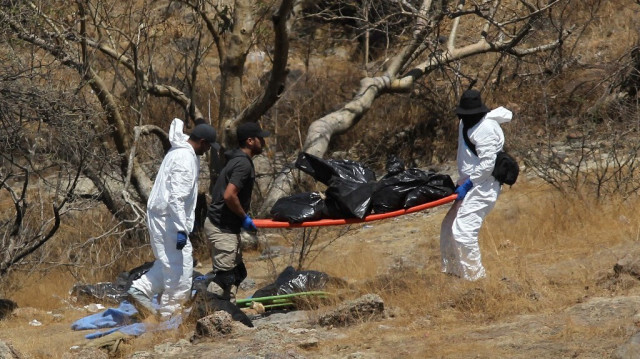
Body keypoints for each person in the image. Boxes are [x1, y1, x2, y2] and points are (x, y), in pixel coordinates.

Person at [128, 118, 219, 318]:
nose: (207, 151)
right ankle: (171, 316)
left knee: (169, 262)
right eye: (207, 146)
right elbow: (177, 198)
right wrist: (180, 229)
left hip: (166, 215)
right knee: (181, 267)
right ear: (202, 141)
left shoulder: (181, 151)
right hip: (168, 218)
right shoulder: (185, 160)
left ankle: (140, 291)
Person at [439, 89, 512, 281]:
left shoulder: (486, 128)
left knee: (464, 231)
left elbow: (487, 163)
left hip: (484, 186)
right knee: (449, 227)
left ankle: (476, 281)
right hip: (468, 184)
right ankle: (456, 275)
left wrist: (469, 183)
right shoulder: (465, 123)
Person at [204, 122, 270, 303]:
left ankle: (229, 314)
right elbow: (229, 195)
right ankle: (204, 312)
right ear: (250, 141)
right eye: (260, 138)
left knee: (237, 273)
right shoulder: (243, 164)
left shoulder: (239, 160)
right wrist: (244, 218)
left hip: (226, 227)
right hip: (221, 227)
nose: (263, 142)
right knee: (224, 278)